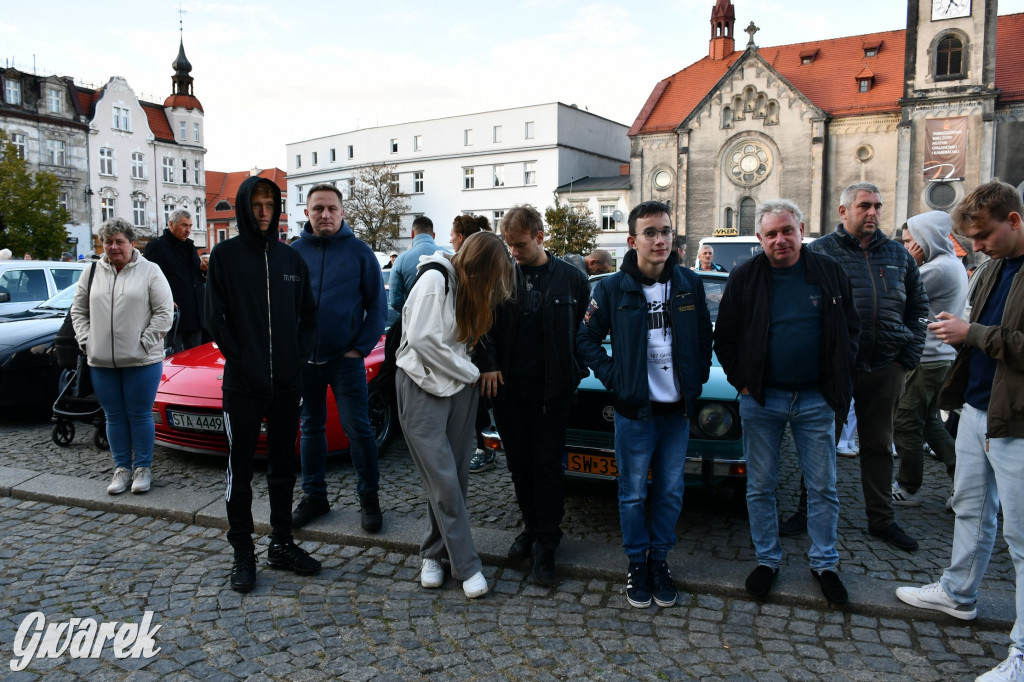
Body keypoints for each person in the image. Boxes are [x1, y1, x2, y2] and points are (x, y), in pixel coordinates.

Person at [895, 179, 1024, 682]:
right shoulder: (993, 266)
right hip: (976, 408)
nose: (977, 247)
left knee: (1020, 535)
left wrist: (971, 333)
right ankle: (959, 592)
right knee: (970, 507)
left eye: (985, 236)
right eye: (971, 239)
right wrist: (967, 330)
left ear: (1013, 220)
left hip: (1015, 419)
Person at [714, 199, 859, 604]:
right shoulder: (744, 278)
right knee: (760, 486)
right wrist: (741, 383)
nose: (781, 240)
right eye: (772, 234)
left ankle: (825, 563)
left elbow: (851, 330)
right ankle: (767, 560)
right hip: (762, 399)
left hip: (816, 399)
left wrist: (839, 381)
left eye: (787, 231)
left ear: (801, 230)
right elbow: (724, 338)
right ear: (760, 238)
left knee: (823, 487)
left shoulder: (829, 273)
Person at [577, 200, 712, 609]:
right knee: (633, 492)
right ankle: (637, 562)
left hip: (676, 412)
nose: (659, 239)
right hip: (634, 410)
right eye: (650, 232)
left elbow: (704, 338)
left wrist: (698, 379)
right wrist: (614, 377)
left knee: (670, 491)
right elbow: (584, 338)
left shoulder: (689, 283)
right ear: (633, 240)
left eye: (666, 231)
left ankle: (660, 561)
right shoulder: (612, 287)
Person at [781, 182, 929, 552]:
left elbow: (919, 308)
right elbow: (798, 309)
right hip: (834, 369)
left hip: (885, 366)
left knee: (878, 445)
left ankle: (881, 520)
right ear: (844, 211)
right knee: (820, 443)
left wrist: (906, 356)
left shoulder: (898, 255)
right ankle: (807, 511)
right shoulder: (819, 253)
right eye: (865, 206)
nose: (873, 213)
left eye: (878, 206)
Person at [205, 176, 319, 593]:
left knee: (284, 468)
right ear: (243, 208)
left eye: (270, 204)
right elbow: (214, 318)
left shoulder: (291, 260)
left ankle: (282, 542)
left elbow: (309, 316)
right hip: (243, 387)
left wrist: (298, 356)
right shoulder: (226, 256)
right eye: (256, 205)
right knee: (241, 469)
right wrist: (243, 360)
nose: (264, 212)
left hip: (287, 384)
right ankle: (242, 552)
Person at [395, 231, 515, 599]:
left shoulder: (467, 288)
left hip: (460, 390)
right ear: (481, 268)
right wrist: (471, 374)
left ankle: (433, 554)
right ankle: (467, 565)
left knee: (455, 479)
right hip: (422, 386)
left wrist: (466, 376)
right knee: (443, 480)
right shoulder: (435, 278)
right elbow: (421, 339)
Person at [476, 205, 589, 585]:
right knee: (519, 467)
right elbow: (483, 326)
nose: (514, 252)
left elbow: (581, 335)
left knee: (548, 468)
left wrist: (577, 370)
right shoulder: (502, 276)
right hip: (509, 394)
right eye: (509, 245)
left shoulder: (572, 279)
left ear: (540, 237)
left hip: (553, 392)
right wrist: (489, 362)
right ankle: (531, 529)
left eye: (520, 245)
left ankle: (547, 543)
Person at [290, 184, 387, 533]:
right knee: (310, 429)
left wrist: (358, 348)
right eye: (318, 209)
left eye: (331, 208)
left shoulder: (360, 253)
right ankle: (315, 496)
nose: (325, 215)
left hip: (345, 360)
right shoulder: (294, 252)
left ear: (343, 212)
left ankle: (369, 499)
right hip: (305, 361)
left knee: (358, 430)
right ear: (307, 212)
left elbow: (378, 308)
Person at [70, 218, 173, 496]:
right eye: (108, 242)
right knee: (113, 416)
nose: (113, 247)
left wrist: (144, 342)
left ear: (132, 243)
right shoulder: (91, 272)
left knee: (139, 415)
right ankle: (121, 468)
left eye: (119, 241)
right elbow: (78, 312)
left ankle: (142, 467)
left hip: (142, 360)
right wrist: (87, 341)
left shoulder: (150, 271)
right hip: (102, 361)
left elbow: (164, 313)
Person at [891, 212, 968, 508]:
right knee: (930, 424)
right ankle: (964, 482)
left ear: (927, 240)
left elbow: (896, 293)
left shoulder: (937, 268)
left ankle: (908, 487)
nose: (908, 248)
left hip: (927, 358)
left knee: (907, 422)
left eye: (911, 242)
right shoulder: (951, 264)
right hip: (938, 357)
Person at [444, 214, 499, 474]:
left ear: (462, 237)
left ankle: (485, 449)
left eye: (453, 235)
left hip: (478, 357)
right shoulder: (458, 270)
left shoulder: (480, 271)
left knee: (479, 407)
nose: (450, 240)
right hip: (470, 356)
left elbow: (491, 322)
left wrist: (486, 362)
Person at [144, 209, 206, 353]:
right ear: (171, 224)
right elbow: (148, 279)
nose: (188, 230)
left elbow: (195, 276)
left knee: (196, 360)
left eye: (190, 226)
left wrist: (203, 269)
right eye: (184, 225)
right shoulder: (157, 246)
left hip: (194, 313)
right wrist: (163, 301)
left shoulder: (189, 246)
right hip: (172, 315)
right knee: (175, 360)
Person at [389, 216, 441, 312]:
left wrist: (410, 314)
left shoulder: (400, 260)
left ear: (412, 234)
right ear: (433, 235)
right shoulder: (450, 257)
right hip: (444, 323)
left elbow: (395, 301)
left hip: (413, 323)